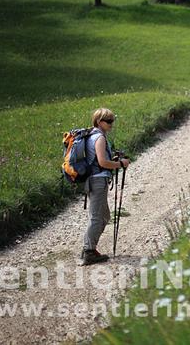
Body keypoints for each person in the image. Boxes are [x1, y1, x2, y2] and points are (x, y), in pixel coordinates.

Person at [81, 108, 130, 265]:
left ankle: (90, 248)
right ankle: (88, 251)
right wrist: (120, 163)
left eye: (112, 120)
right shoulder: (99, 138)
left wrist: (113, 159)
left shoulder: (92, 136)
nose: (111, 124)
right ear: (99, 121)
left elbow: (98, 159)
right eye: (108, 121)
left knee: (104, 216)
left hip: (95, 180)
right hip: (98, 181)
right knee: (97, 216)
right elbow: (102, 162)